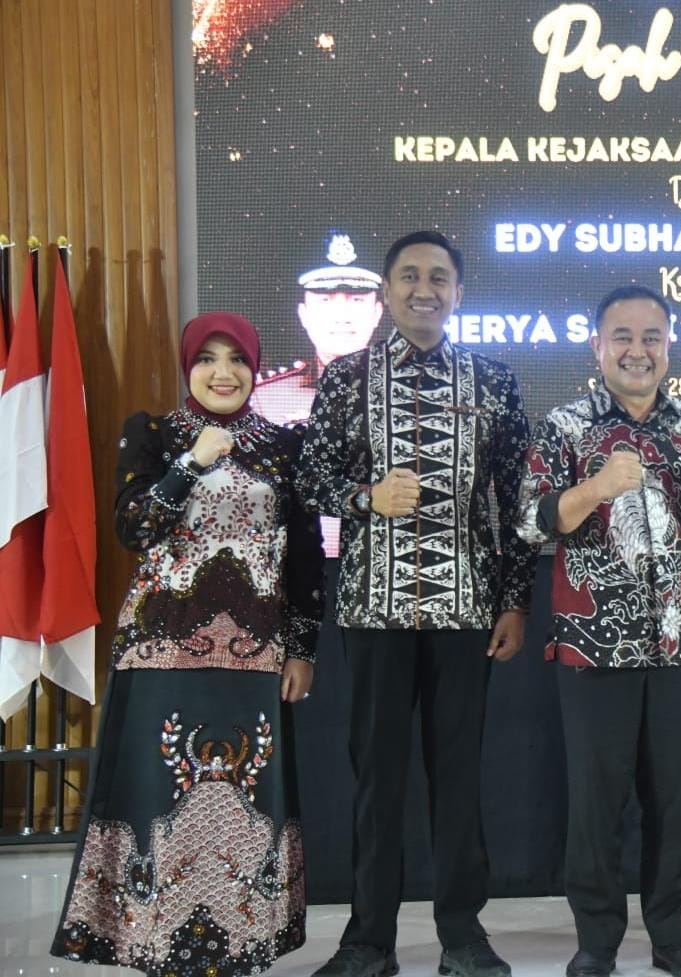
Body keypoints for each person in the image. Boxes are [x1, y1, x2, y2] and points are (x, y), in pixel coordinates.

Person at [51, 312, 323, 975]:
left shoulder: (283, 446)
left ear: (254, 369)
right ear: (187, 366)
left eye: (237, 359)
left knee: (245, 803)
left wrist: (303, 649)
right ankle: (157, 942)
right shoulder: (152, 433)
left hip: (255, 657)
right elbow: (133, 529)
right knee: (161, 799)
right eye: (207, 358)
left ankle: (239, 944)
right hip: (161, 654)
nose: (223, 372)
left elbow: (305, 556)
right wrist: (190, 463)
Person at [295, 230, 537, 977]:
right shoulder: (348, 377)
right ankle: (369, 939)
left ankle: (462, 934)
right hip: (374, 609)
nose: (423, 289)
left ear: (458, 293)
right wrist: (365, 497)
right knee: (377, 780)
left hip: (466, 612)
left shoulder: (492, 380)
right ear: (387, 292)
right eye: (409, 276)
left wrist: (514, 599)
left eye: (438, 277)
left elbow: (515, 499)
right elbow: (309, 479)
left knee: (458, 776)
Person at [517, 284, 681, 977]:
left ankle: (672, 933)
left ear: (669, 346)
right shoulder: (564, 425)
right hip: (593, 644)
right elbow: (529, 521)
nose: (637, 350)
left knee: (674, 797)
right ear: (597, 346)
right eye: (622, 336)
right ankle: (598, 938)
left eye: (651, 337)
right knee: (597, 801)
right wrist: (594, 489)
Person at [252, 231, 384, 428]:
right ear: (303, 314)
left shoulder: (408, 390)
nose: (342, 316)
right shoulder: (267, 398)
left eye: (357, 300)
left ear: (377, 313)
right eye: (325, 300)